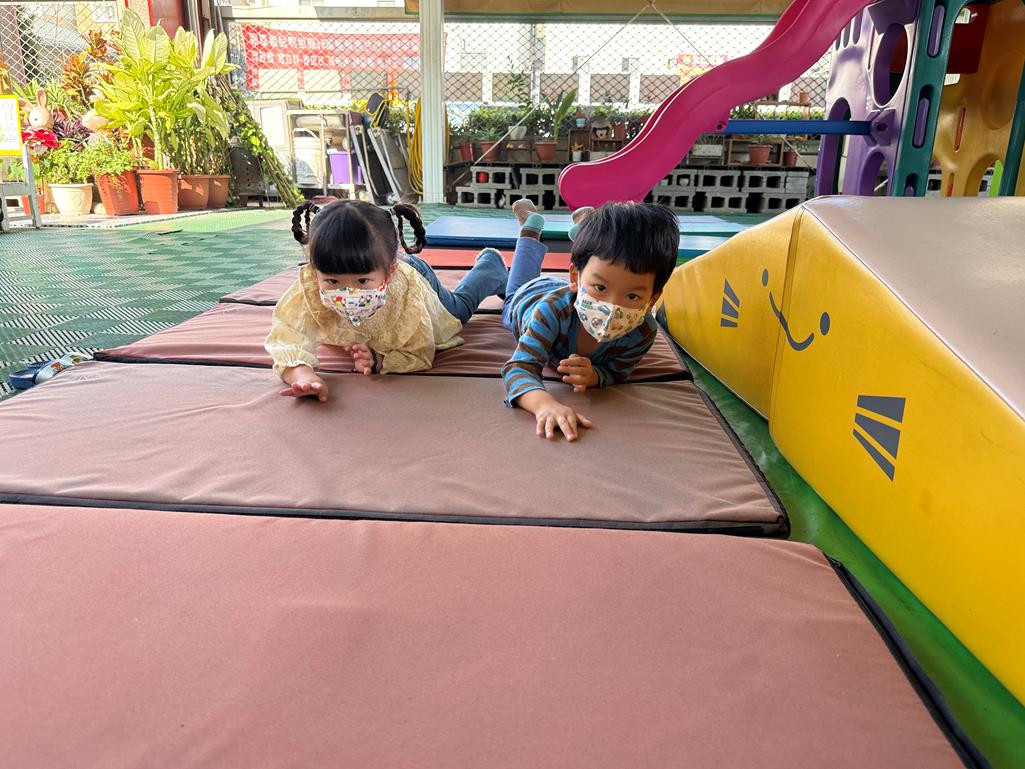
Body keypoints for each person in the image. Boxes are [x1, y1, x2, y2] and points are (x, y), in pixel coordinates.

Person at [265, 199, 508, 402]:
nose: (348, 293)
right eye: (332, 281)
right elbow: (288, 333)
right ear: (314, 270)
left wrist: (379, 360)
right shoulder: (311, 282)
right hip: (378, 262)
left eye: (361, 282)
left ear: (390, 273)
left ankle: (491, 268)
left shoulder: (405, 292)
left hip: (413, 273)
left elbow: (418, 349)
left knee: (458, 311)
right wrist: (302, 375)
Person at [501, 200, 679, 441]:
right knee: (513, 289)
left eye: (632, 296)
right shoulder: (550, 312)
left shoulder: (642, 332)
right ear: (575, 277)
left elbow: (618, 372)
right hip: (528, 297)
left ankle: (585, 233)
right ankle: (529, 231)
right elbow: (519, 368)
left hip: (579, 287)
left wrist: (595, 375)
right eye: (601, 289)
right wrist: (544, 404)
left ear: (652, 299)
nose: (612, 307)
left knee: (599, 261)